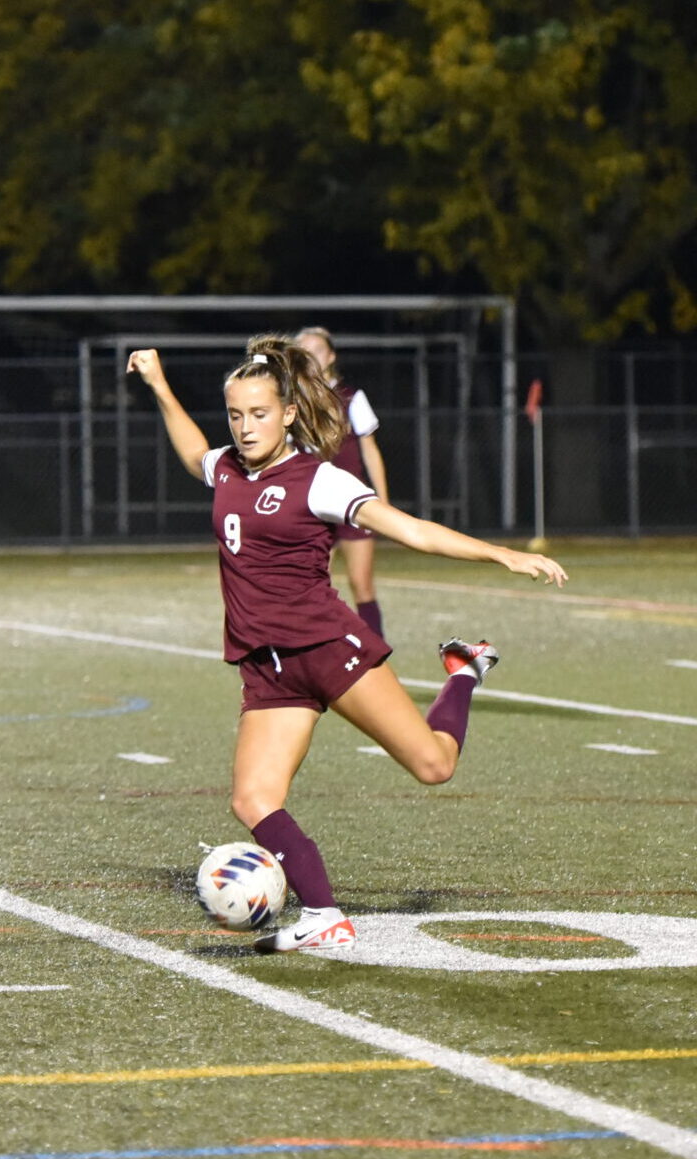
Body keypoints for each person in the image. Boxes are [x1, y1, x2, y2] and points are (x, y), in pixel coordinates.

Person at [129, 337, 566, 953]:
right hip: (268, 668)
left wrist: (502, 554)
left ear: (286, 414)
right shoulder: (225, 465)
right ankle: (324, 915)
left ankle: (464, 672)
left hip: (329, 651)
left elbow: (409, 529)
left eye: (259, 414)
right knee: (252, 798)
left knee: (434, 766)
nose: (246, 427)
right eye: (235, 415)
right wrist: (159, 385)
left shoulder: (319, 478)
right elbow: (193, 451)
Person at [294, 326, 390, 639]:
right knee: (309, 589)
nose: (311, 356)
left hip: (351, 504)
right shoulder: (290, 404)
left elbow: (371, 452)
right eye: (303, 351)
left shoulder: (352, 398)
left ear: (331, 356)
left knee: (362, 586)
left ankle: (377, 661)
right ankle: (319, 662)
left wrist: (383, 505)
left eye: (317, 350)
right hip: (311, 507)